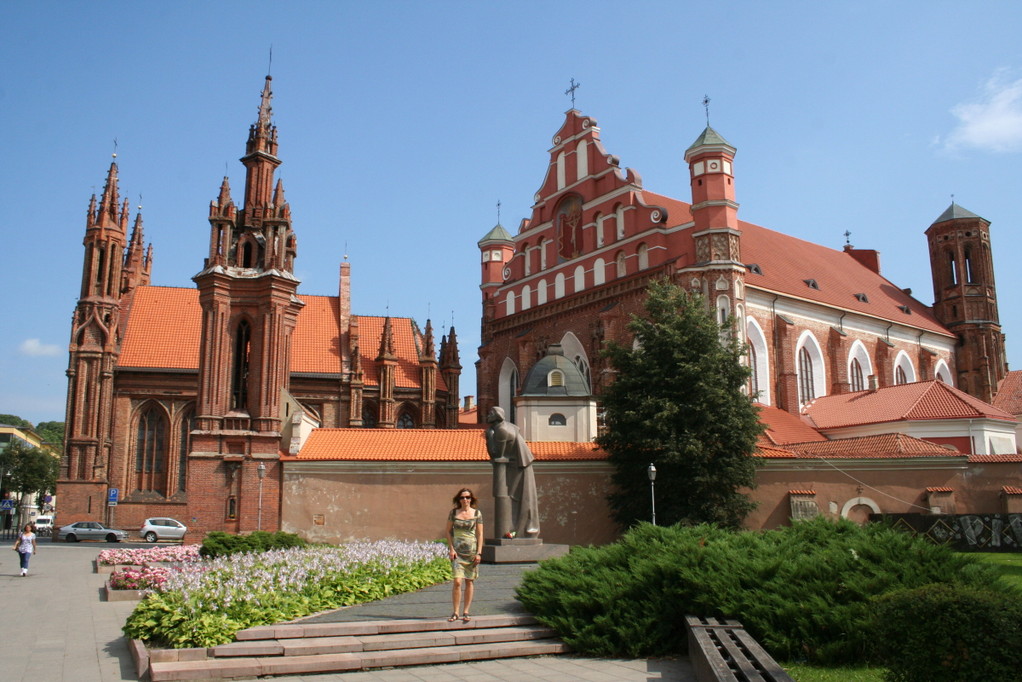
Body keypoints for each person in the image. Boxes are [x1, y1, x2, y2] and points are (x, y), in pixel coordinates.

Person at [485, 406, 540, 538]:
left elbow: (497, 454)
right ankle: (518, 529)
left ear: (497, 415)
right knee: (518, 497)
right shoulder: (506, 426)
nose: (488, 415)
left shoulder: (501, 430)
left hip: (517, 466)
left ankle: (519, 530)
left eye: (491, 413)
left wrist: (489, 437)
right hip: (518, 465)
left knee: (518, 497)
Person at [445, 488, 483, 623]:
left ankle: (466, 611)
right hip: (457, 552)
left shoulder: (477, 513)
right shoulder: (454, 513)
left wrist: (479, 552)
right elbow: (448, 531)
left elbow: (479, 534)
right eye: (462, 497)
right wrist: (451, 548)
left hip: (471, 552)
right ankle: (455, 612)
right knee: (457, 581)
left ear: (471, 499)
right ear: (458, 499)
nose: (465, 500)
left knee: (469, 581)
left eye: (467, 497)